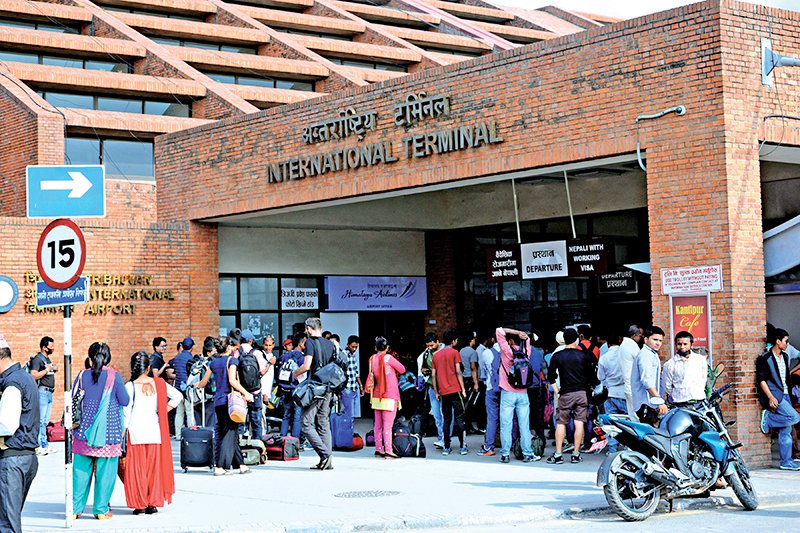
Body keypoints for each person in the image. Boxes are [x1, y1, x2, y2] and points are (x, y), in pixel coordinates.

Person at [72, 342, 130, 520]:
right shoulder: (114, 376)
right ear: (108, 357)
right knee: (106, 474)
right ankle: (100, 510)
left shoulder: (82, 375)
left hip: (83, 432)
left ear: (90, 356)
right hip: (108, 433)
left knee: (80, 473)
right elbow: (125, 400)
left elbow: (73, 398)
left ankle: (74, 510)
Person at [122, 351, 181, 515]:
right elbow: (178, 396)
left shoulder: (129, 386)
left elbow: (126, 413)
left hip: (135, 432)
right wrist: (163, 411)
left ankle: (139, 504)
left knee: (138, 469)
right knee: (153, 470)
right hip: (154, 431)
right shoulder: (159, 384)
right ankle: (152, 503)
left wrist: (122, 432)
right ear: (148, 368)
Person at [195, 336, 253, 475]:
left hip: (218, 402)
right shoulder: (232, 360)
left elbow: (203, 382)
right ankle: (220, 466)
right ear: (228, 347)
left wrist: (197, 385)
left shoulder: (213, 363)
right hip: (230, 401)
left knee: (229, 432)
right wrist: (246, 393)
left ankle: (241, 465)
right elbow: (232, 380)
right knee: (230, 433)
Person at [0, 334, 40, 533]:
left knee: (7, 524)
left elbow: (6, 424)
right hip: (25, 458)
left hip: (12, 459)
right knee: (9, 519)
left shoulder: (12, 383)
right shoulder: (24, 377)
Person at [546, 328, 599, 464]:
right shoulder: (584, 355)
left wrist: (557, 391)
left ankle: (558, 454)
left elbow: (551, 377)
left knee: (561, 423)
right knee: (579, 422)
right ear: (577, 339)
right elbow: (592, 376)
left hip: (565, 393)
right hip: (581, 393)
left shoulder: (557, 356)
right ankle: (576, 454)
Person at [296, 317, 337, 470]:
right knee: (323, 423)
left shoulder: (310, 343)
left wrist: (295, 373)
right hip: (328, 388)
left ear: (308, 328)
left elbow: (306, 366)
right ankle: (327, 461)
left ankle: (325, 455)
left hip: (315, 389)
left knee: (306, 423)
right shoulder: (330, 344)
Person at [757, 328, 800, 470]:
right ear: (778, 341)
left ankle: (786, 461)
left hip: (787, 395)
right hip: (776, 395)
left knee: (785, 429)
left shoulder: (786, 357)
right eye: (786, 341)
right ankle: (769, 419)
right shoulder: (765, 358)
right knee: (795, 417)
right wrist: (770, 397)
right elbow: (762, 380)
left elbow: (786, 377)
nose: (788, 344)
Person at [496, 326, 538, 463]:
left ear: (509, 341)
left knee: (506, 424)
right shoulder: (525, 352)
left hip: (508, 392)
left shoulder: (507, 351)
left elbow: (499, 330)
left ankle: (505, 454)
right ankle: (528, 453)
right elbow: (527, 338)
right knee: (524, 425)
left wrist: (515, 332)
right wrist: (523, 335)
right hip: (523, 393)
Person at [432, 328, 468, 456]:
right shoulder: (455, 353)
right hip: (456, 390)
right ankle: (463, 447)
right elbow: (458, 371)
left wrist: (436, 392)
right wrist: (463, 389)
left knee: (446, 419)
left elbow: (433, 375)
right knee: (460, 418)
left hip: (443, 392)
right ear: (453, 341)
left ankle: (446, 447)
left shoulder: (436, 356)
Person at [368, 336, 405, 458]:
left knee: (378, 425)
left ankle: (379, 449)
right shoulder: (389, 358)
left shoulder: (372, 358)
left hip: (376, 395)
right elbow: (402, 369)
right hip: (389, 395)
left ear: (375, 347)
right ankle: (389, 450)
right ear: (387, 347)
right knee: (388, 425)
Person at [630, 326, 667, 425]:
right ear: (646, 339)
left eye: (660, 340)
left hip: (650, 403)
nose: (658, 343)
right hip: (646, 403)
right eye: (655, 339)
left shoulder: (652, 353)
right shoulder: (646, 355)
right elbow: (647, 381)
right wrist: (659, 401)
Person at [596, 332, 626, 453]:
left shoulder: (604, 358)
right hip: (625, 393)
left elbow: (600, 377)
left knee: (611, 423)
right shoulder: (625, 356)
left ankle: (612, 449)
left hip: (610, 394)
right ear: (620, 340)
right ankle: (628, 448)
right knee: (627, 423)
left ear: (607, 344)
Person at [662, 331, 708, 406]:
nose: (682, 347)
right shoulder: (670, 364)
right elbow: (667, 386)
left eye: (685, 344)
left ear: (691, 345)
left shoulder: (700, 360)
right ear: (675, 345)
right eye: (679, 344)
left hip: (699, 402)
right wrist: (679, 394)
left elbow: (703, 379)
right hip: (680, 403)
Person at [28, 336, 57, 455]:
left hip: (49, 393)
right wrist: (46, 370)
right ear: (44, 347)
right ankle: (38, 445)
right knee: (40, 420)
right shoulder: (37, 359)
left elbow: (47, 371)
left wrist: (53, 368)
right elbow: (33, 375)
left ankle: (44, 444)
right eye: (51, 347)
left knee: (45, 421)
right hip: (42, 392)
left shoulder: (47, 359)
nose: (53, 349)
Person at [417, 331, 446, 449]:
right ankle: (441, 438)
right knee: (437, 415)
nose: (430, 348)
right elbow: (423, 368)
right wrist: (428, 371)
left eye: (432, 345)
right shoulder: (426, 354)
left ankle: (446, 439)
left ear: (437, 342)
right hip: (432, 387)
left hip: (444, 387)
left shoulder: (445, 352)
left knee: (445, 414)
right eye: (428, 346)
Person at [238, 330, 267, 439]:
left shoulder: (236, 353)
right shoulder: (257, 353)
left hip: (241, 392)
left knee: (240, 420)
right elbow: (262, 372)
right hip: (255, 391)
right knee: (256, 421)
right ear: (250, 341)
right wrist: (270, 364)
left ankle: (239, 444)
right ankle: (257, 444)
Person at [278, 333, 306, 438]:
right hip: (296, 389)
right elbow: (303, 376)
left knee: (286, 415)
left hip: (285, 388)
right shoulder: (301, 357)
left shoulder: (285, 356)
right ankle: (295, 440)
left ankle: (283, 437)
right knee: (297, 416)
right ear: (301, 343)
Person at [170, 337, 196, 438]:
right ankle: (190, 434)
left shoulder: (177, 358)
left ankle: (178, 434)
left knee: (179, 412)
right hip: (187, 388)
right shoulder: (191, 358)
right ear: (192, 347)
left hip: (177, 388)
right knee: (189, 412)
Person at [619, 325, 643, 419]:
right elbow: (641, 362)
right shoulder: (631, 346)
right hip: (633, 386)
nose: (641, 338)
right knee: (637, 417)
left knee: (632, 415)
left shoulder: (624, 345)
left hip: (628, 385)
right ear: (634, 336)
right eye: (640, 336)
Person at [459, 331, 480, 433]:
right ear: (471, 340)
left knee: (464, 402)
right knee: (470, 403)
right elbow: (473, 368)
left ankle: (465, 425)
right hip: (470, 379)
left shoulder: (460, 351)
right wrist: (476, 383)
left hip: (462, 379)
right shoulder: (473, 352)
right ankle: (468, 425)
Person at [342, 335, 362, 418]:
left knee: (352, 412)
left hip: (354, 387)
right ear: (348, 344)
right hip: (347, 387)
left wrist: (360, 385)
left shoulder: (353, 355)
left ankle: (350, 426)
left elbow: (356, 372)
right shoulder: (343, 355)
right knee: (348, 413)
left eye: (356, 347)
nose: (354, 349)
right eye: (352, 346)